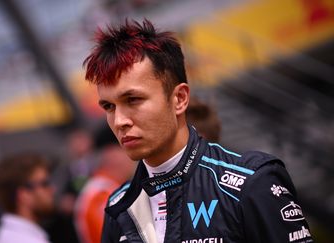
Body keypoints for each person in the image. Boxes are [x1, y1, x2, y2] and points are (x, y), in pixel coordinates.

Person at [82, 19, 313, 243]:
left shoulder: (249, 182)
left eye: (133, 99)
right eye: (109, 106)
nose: (120, 120)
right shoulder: (118, 207)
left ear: (179, 99)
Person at [74, 123, 136, 243]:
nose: (135, 156)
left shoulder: (111, 189)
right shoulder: (100, 194)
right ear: (111, 154)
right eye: (128, 147)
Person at [0, 153, 54, 243]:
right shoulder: (26, 239)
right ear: (24, 195)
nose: (52, 189)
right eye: (45, 183)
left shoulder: (10, 235)